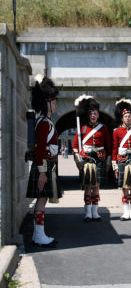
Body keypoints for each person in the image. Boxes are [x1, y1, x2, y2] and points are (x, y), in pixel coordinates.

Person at [26, 76, 61, 246]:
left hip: (47, 164)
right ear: (46, 103)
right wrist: (42, 172)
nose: (56, 105)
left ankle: (37, 234)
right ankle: (39, 236)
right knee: (41, 200)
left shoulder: (46, 121)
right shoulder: (44, 123)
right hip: (44, 165)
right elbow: (40, 149)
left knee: (43, 200)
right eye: (54, 102)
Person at [73, 95, 112, 222]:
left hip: (99, 159)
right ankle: (88, 213)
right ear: (88, 115)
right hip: (87, 159)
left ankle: (95, 212)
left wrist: (108, 162)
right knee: (88, 187)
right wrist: (78, 160)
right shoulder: (83, 128)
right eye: (91, 113)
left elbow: (109, 146)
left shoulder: (104, 128)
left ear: (98, 115)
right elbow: (74, 146)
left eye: (95, 113)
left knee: (96, 186)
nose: (93, 115)